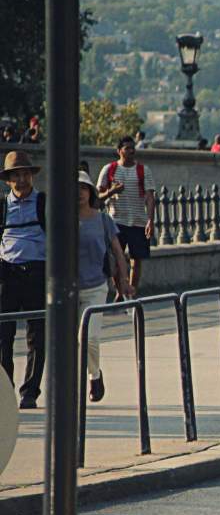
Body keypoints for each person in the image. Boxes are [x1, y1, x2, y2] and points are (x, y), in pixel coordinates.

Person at [78, 170, 132, 402]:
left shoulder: (102, 219)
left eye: (83, 189)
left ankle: (94, 376)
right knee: (74, 340)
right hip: (69, 288)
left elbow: (118, 252)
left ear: (90, 192)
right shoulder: (62, 219)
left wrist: (124, 280)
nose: (79, 194)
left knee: (88, 338)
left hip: (96, 286)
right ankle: (79, 379)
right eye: (74, 189)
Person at [0, 150, 47, 408]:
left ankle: (30, 392)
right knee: (3, 337)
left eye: (25, 174)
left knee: (36, 336)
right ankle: (5, 391)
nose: (21, 180)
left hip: (37, 270)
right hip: (7, 272)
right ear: (8, 180)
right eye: (16, 175)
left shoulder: (43, 203)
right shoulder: (3, 206)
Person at [97, 135, 156, 297]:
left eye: (132, 148)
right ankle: (119, 290)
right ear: (119, 151)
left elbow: (150, 197)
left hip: (138, 221)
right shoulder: (109, 169)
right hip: (116, 221)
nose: (131, 151)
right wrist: (113, 191)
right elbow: (97, 198)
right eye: (127, 148)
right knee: (115, 258)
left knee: (136, 259)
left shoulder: (144, 170)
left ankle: (132, 290)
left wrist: (150, 220)